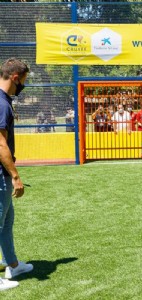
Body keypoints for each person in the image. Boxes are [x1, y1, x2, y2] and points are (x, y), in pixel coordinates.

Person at [0, 58, 33, 289]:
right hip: (0, 174)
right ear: (15, 77)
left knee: (7, 222)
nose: (23, 84)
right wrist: (15, 175)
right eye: (23, 80)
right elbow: (0, 143)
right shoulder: (1, 104)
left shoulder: (4, 101)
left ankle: (12, 265)